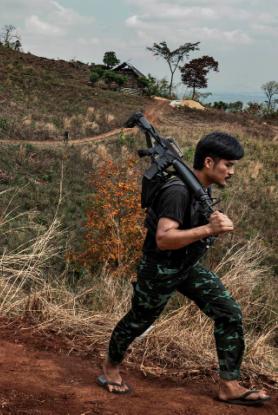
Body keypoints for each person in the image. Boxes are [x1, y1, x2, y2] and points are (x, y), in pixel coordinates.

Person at [99, 132, 271, 406]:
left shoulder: (200, 188)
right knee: (139, 320)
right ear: (208, 162)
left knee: (229, 313)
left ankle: (229, 384)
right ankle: (110, 367)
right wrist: (209, 229)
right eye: (229, 165)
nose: (232, 172)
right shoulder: (178, 190)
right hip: (160, 269)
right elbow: (164, 239)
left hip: (187, 265)